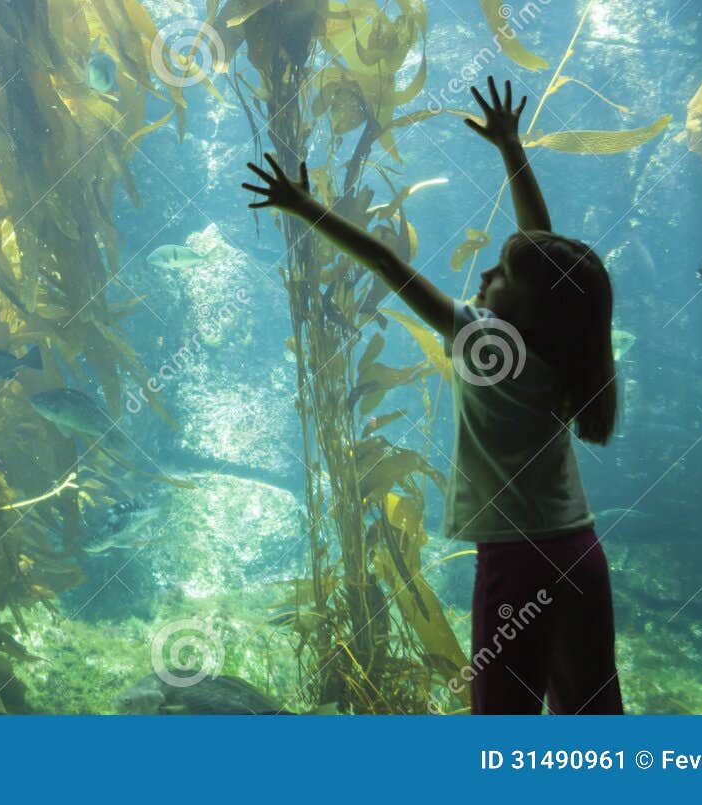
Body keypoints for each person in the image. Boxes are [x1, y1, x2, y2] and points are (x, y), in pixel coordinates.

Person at [241, 77, 622, 715]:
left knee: (502, 720)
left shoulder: (484, 344)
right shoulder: (562, 352)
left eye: (500, 275)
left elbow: (389, 266)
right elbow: (546, 254)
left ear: (527, 305)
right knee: (594, 716)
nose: (486, 273)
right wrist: (511, 149)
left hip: (516, 561)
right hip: (578, 552)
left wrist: (307, 210)